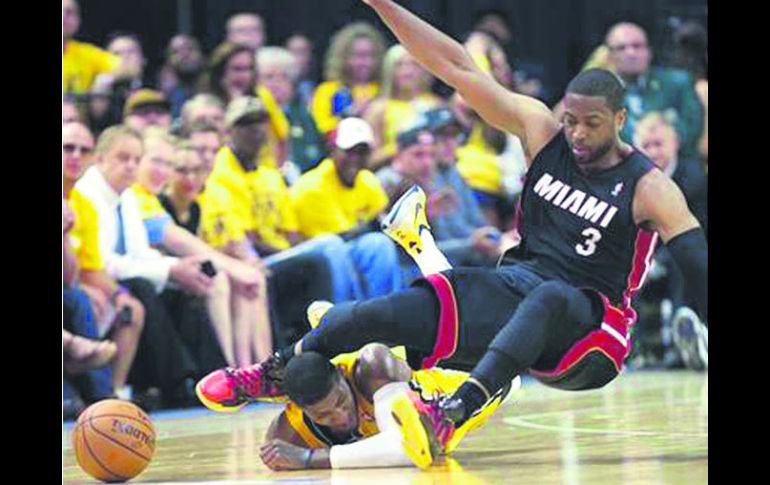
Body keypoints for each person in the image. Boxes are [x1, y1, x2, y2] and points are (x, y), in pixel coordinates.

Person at [199, 0, 708, 466]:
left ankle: (453, 411)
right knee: (377, 314)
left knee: (552, 295)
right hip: (515, 292)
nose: (576, 133)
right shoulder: (540, 132)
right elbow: (456, 66)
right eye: (570, 119)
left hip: (594, 331)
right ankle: (276, 371)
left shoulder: (650, 188)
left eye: (591, 124)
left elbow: (700, 270)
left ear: (620, 119)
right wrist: (383, 5)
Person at [256, 345, 517, 470]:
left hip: (464, 385)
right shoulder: (287, 431)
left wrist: (308, 459)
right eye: (323, 415)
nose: (340, 416)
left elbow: (409, 449)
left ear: (341, 374)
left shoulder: (372, 368)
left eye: (341, 402)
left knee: (429, 441)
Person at [64, 122, 146, 401]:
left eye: (83, 150)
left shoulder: (82, 206)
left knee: (130, 306)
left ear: (91, 158)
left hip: (69, 286)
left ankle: (113, 392)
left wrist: (117, 294)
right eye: (68, 148)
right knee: (79, 299)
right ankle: (97, 396)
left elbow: (81, 270)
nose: (75, 155)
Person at [290, 117, 404, 299]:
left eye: (362, 152)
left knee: (380, 244)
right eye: (349, 152)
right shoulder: (311, 187)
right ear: (332, 150)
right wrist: (373, 225)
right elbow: (336, 239)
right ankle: (344, 319)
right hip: (312, 259)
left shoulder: (367, 180)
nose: (355, 159)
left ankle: (386, 312)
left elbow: (384, 222)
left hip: (347, 251)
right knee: (358, 246)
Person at [364, 44, 443, 171]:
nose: (407, 71)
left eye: (414, 64)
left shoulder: (435, 105)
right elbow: (368, 160)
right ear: (389, 70)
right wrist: (403, 145)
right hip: (393, 175)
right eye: (399, 65)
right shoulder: (378, 109)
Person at [311, 22, 386, 134]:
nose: (367, 62)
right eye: (359, 55)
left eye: (372, 55)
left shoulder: (386, 88)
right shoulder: (327, 90)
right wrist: (352, 113)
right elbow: (319, 127)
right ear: (343, 57)